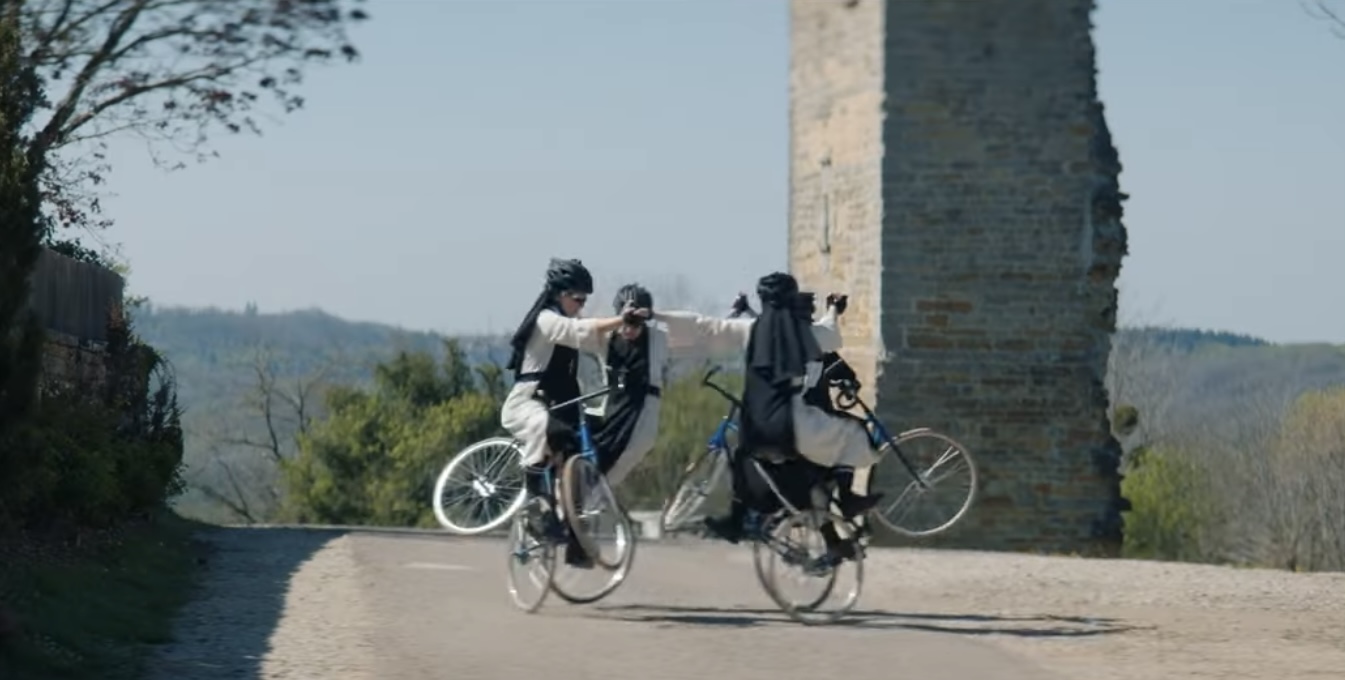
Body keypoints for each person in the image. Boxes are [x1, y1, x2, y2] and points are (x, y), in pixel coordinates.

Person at [656, 273, 883, 552]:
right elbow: (831, 335)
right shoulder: (805, 333)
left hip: (756, 427)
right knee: (854, 431)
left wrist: (656, 314)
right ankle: (848, 498)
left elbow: (706, 326)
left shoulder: (750, 330)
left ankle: (736, 520)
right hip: (793, 425)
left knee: (741, 458)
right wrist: (834, 309)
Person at [500, 258, 649, 568]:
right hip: (528, 403)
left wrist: (631, 329)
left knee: (579, 462)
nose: (581, 305)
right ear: (559, 294)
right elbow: (576, 331)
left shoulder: (571, 321)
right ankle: (534, 502)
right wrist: (618, 319)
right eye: (577, 298)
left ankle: (576, 539)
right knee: (545, 425)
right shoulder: (546, 320)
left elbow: (597, 339)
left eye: (584, 300)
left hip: (561, 407)